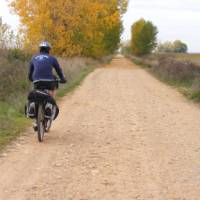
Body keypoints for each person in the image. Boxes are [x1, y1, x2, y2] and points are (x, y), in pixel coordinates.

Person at [27, 41, 66, 121]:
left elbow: (30, 72)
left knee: (36, 93)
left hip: (37, 81)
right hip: (49, 82)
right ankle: (49, 105)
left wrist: (31, 78)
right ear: (49, 50)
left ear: (40, 49)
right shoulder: (52, 58)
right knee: (53, 87)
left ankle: (33, 106)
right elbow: (58, 70)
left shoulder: (34, 58)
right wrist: (62, 79)